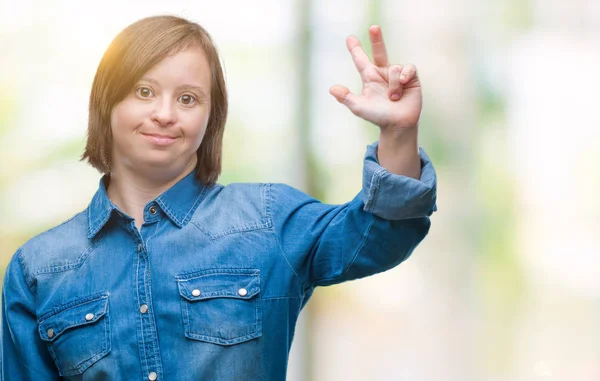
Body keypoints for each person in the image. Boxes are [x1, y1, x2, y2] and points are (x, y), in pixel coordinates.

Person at [1, 15, 437, 381]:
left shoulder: (268, 221)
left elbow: (381, 233)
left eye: (188, 98)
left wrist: (398, 134)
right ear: (107, 102)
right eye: (144, 91)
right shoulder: (38, 270)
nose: (165, 113)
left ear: (211, 118)